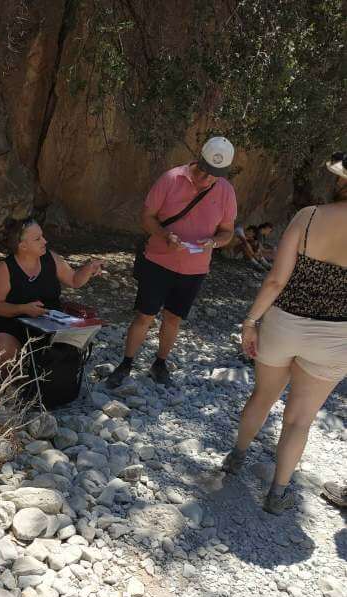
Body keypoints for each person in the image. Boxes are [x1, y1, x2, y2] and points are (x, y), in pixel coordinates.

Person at [222, 151, 347, 514]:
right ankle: (277, 493)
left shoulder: (309, 217)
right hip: (336, 336)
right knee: (299, 420)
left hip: (285, 322)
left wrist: (250, 321)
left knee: (262, 397)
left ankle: (236, 457)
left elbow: (276, 280)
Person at [107, 136, 237, 388]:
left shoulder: (226, 191)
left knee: (174, 318)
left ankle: (160, 363)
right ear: (199, 160)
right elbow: (147, 218)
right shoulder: (171, 179)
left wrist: (214, 243)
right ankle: (126, 363)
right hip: (158, 260)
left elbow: (227, 232)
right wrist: (165, 235)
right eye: (206, 171)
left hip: (194, 268)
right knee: (145, 315)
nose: (208, 178)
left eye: (215, 174)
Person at [0, 217, 104, 362]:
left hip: (48, 323)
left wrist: (88, 269)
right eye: (38, 239)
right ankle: (13, 382)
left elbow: (74, 280)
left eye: (42, 236)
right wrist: (23, 308)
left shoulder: (50, 258)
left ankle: (53, 381)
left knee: (72, 342)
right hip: (12, 324)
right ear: (23, 246)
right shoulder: (4, 268)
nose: (45, 241)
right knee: (4, 346)